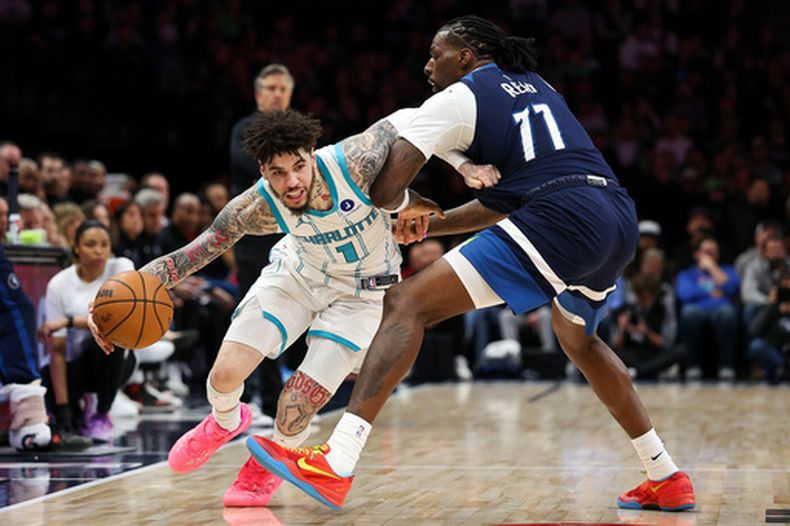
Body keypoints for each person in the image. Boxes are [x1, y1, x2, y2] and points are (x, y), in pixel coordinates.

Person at [248, 16, 695, 512]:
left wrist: (407, 208)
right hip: (614, 214)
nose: (427, 65)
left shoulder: (458, 97)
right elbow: (513, 197)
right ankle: (665, 473)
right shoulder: (538, 85)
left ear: (464, 55)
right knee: (580, 342)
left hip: (560, 218)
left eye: (435, 54)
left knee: (406, 302)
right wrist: (431, 225)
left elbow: (385, 188)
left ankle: (339, 459)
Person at [88, 109, 452, 507]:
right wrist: (115, 297)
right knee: (225, 374)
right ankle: (225, 420)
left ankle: (266, 467)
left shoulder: (356, 161)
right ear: (262, 170)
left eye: (299, 166)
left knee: (294, 407)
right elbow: (192, 254)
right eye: (278, 172)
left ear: (313, 154)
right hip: (297, 274)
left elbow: (420, 117)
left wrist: (468, 165)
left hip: (362, 295)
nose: (292, 181)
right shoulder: (254, 207)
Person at [230, 64, 295, 424]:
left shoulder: (299, 130)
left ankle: (288, 399)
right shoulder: (244, 129)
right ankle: (259, 399)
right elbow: (252, 167)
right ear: (258, 94)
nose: (276, 94)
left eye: (282, 89)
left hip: (293, 232)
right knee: (258, 315)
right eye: (269, 88)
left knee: (295, 315)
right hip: (254, 237)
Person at [39, 220, 137, 441]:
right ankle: (76, 409)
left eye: (104, 244)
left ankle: (102, 413)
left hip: (117, 360)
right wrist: (63, 407)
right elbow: (57, 350)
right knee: (51, 392)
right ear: (76, 247)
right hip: (77, 364)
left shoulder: (122, 267)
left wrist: (69, 321)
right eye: (90, 244)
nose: (99, 250)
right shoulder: (59, 284)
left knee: (108, 338)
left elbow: (117, 318)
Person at [675, 235, 740, 381]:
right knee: (688, 313)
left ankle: (726, 366)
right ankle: (693, 366)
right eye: (707, 252)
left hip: (721, 308)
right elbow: (685, 295)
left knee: (728, 313)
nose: (711, 255)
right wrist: (714, 292)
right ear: (697, 254)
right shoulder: (687, 274)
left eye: (714, 252)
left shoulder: (727, 270)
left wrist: (712, 268)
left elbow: (733, 288)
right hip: (696, 309)